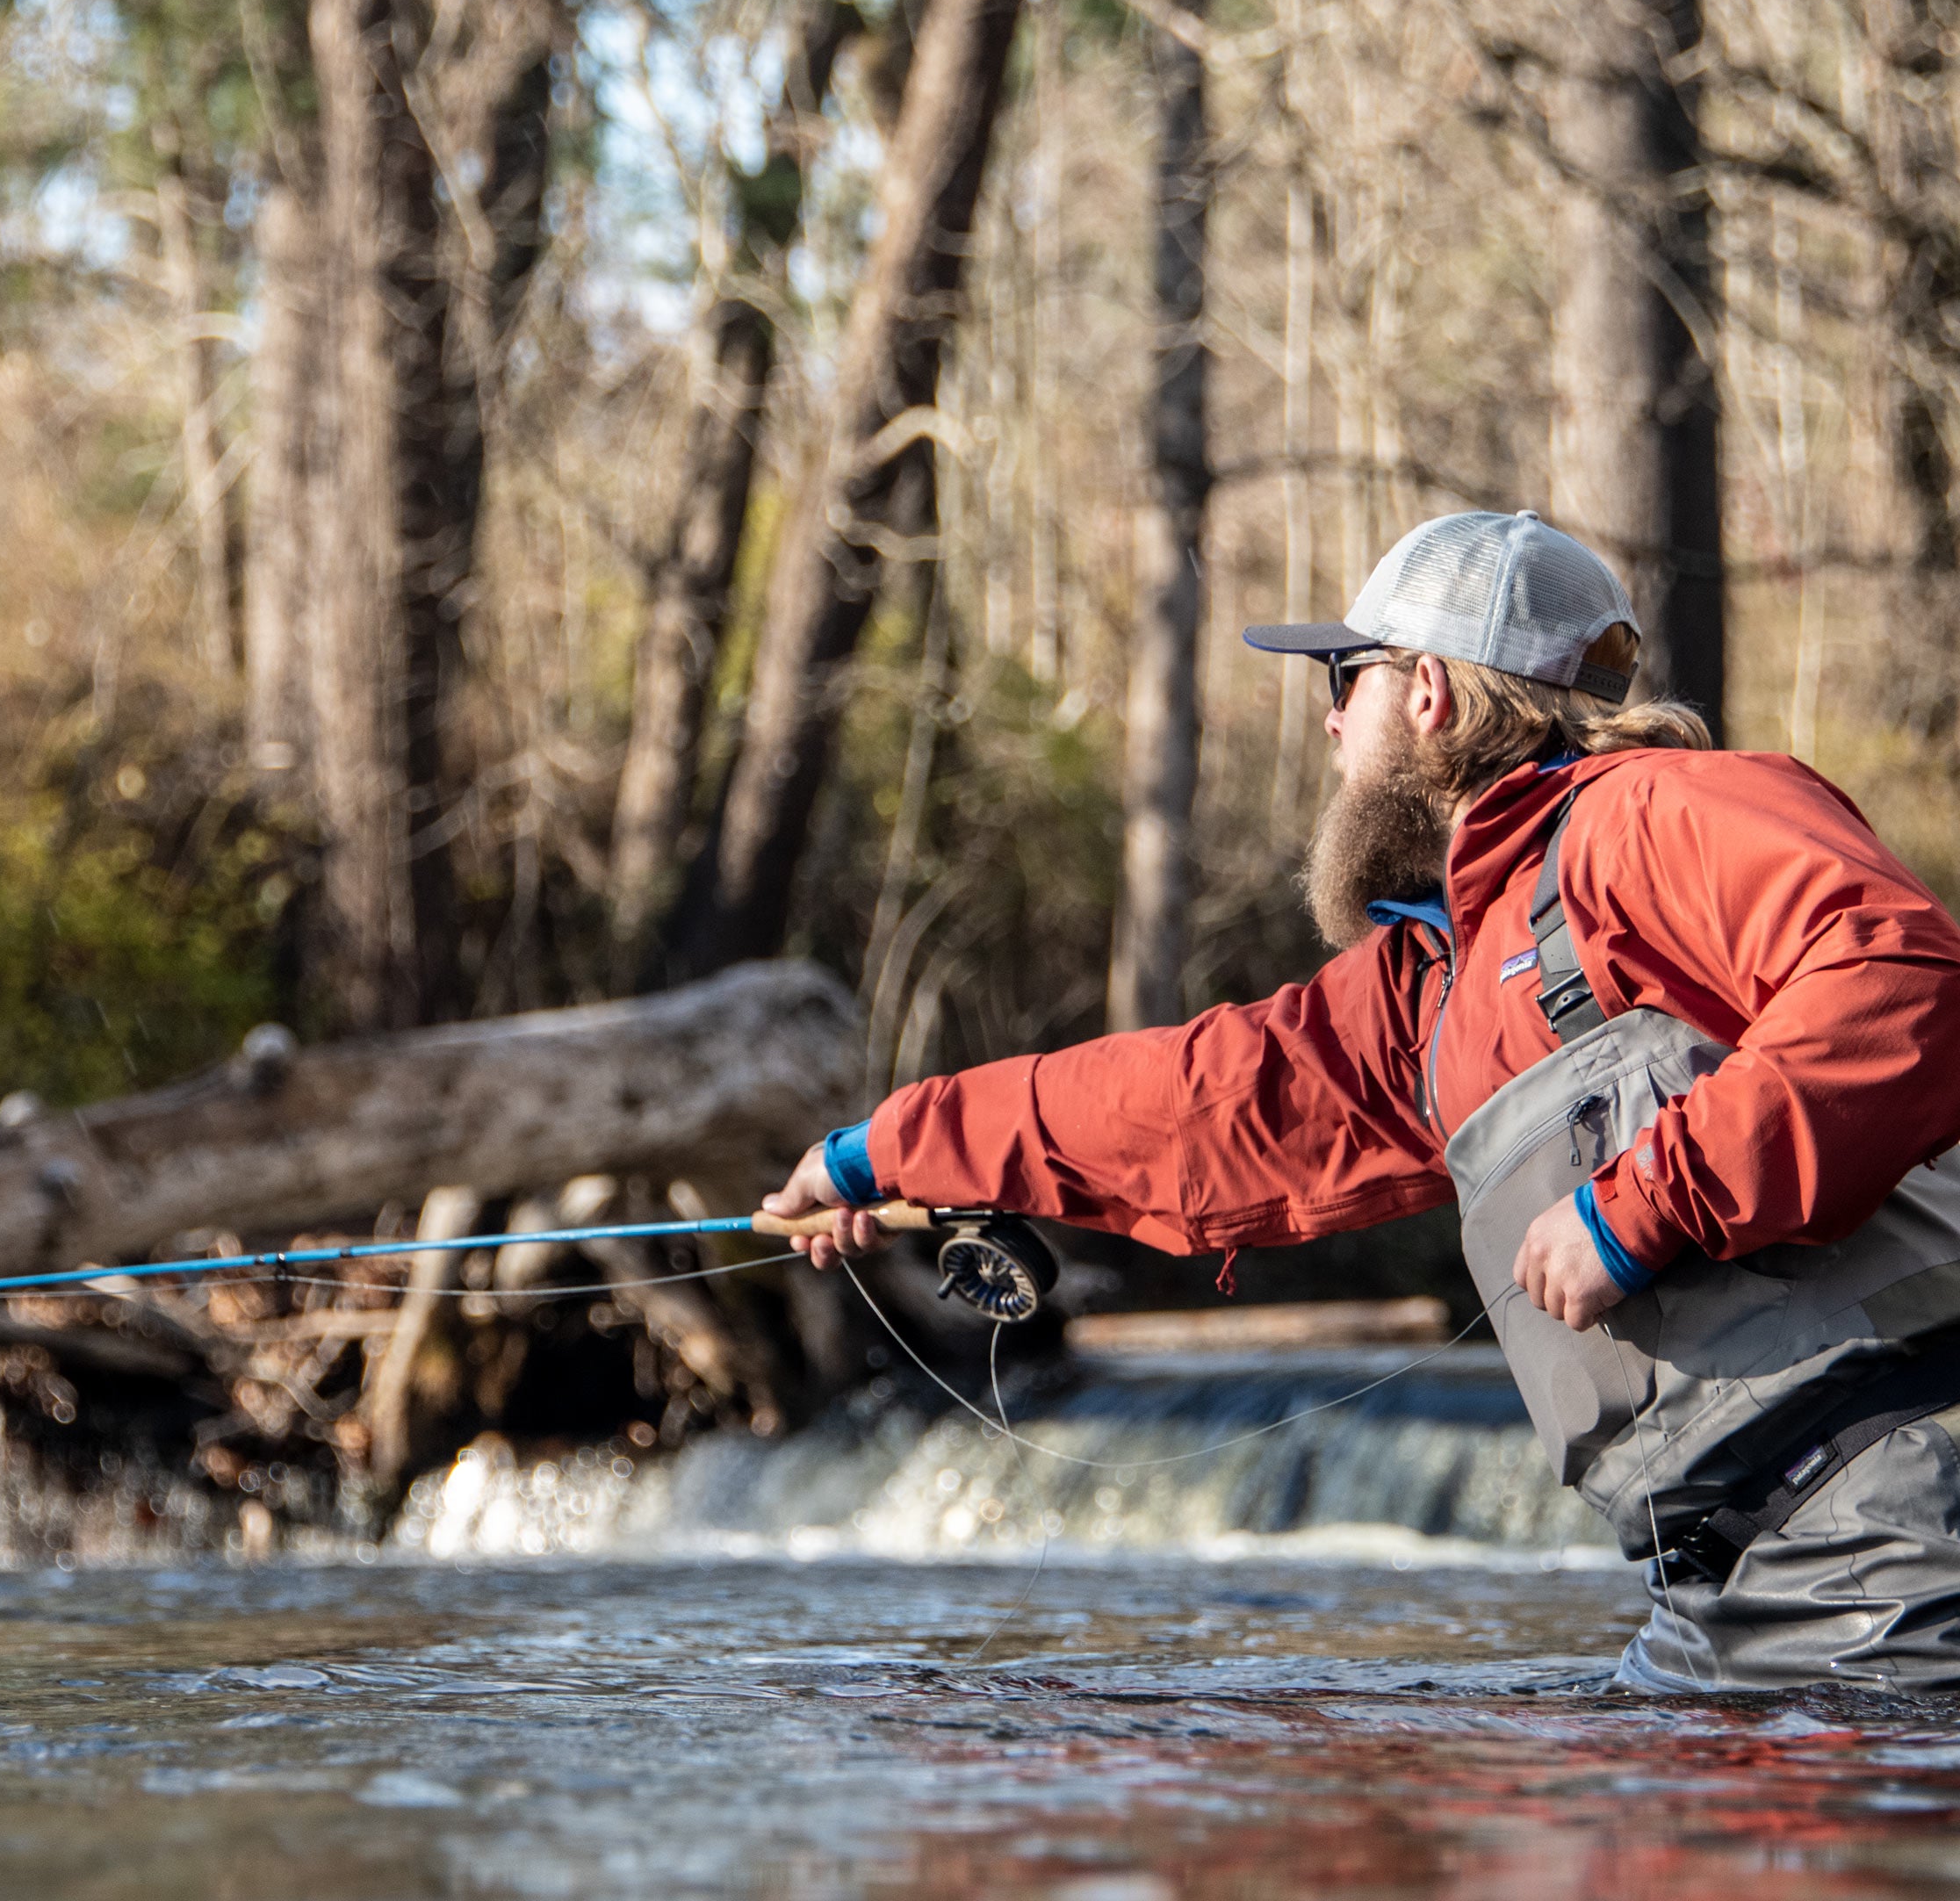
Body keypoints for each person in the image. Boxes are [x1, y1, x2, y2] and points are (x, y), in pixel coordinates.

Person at [761, 508, 1960, 1694]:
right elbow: (1199, 1107)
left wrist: (1635, 1210)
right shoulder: (1437, 979)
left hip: (1900, 1530)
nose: (1332, 717)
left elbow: (1901, 983)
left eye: (1347, 676)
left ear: (1428, 692)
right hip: (1721, 1586)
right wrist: (887, 1152)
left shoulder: (1654, 817)